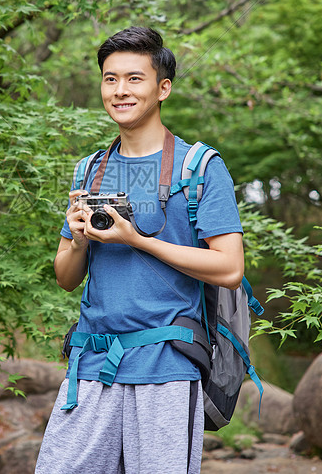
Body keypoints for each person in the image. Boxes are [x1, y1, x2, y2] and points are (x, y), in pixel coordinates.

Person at [34, 26, 245, 474]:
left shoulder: (200, 167)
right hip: (91, 363)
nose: (120, 91)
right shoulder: (90, 169)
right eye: (110, 79)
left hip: (166, 365)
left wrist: (138, 241)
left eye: (134, 78)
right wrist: (77, 238)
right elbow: (67, 278)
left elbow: (228, 268)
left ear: (162, 87)